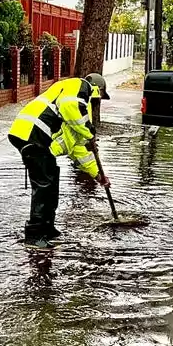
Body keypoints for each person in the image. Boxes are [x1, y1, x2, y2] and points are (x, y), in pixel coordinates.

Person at [8, 73, 109, 250]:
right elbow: (69, 105)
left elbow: (79, 150)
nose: (96, 102)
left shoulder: (76, 112)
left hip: (36, 138)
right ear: (96, 89)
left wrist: (98, 175)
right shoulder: (80, 85)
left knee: (52, 179)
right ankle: (34, 236)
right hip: (32, 133)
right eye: (98, 97)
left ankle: (48, 229)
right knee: (44, 184)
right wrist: (88, 130)